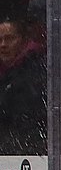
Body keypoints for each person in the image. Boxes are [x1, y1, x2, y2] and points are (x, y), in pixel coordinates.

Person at [0, 16, 45, 156]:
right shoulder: (5, 73)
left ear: (24, 40)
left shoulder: (34, 70)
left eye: (9, 39)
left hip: (24, 154)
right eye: (0, 40)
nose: (3, 45)